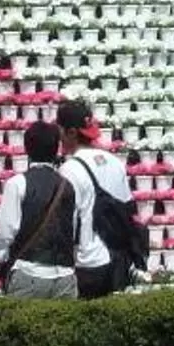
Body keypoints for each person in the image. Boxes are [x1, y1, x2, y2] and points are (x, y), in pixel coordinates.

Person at [0, 120, 82, 299]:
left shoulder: (17, 184)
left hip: (27, 272)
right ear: (56, 149)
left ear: (27, 148)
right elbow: (75, 230)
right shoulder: (68, 186)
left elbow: (6, 232)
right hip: (64, 275)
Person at [59, 100, 138, 299]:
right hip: (117, 258)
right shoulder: (114, 161)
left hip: (87, 262)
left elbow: (68, 221)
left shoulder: (70, 169)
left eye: (60, 130)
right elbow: (128, 207)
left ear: (71, 132)